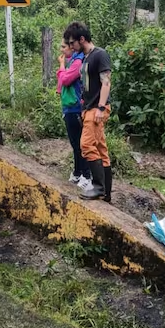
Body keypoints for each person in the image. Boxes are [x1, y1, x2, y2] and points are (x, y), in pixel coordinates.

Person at [64, 22, 112, 202]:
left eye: (72, 43)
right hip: (88, 108)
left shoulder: (100, 55)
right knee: (100, 148)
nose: (71, 47)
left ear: (82, 39)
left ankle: (98, 187)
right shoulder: (85, 58)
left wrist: (100, 107)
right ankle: (106, 192)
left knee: (85, 145)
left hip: (97, 108)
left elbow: (106, 82)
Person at [56, 37, 92, 191]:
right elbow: (60, 86)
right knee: (74, 143)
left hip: (76, 107)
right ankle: (78, 172)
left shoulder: (78, 62)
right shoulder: (73, 62)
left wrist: (62, 65)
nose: (63, 49)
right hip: (69, 107)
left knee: (80, 143)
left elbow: (65, 80)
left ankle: (86, 174)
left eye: (66, 46)